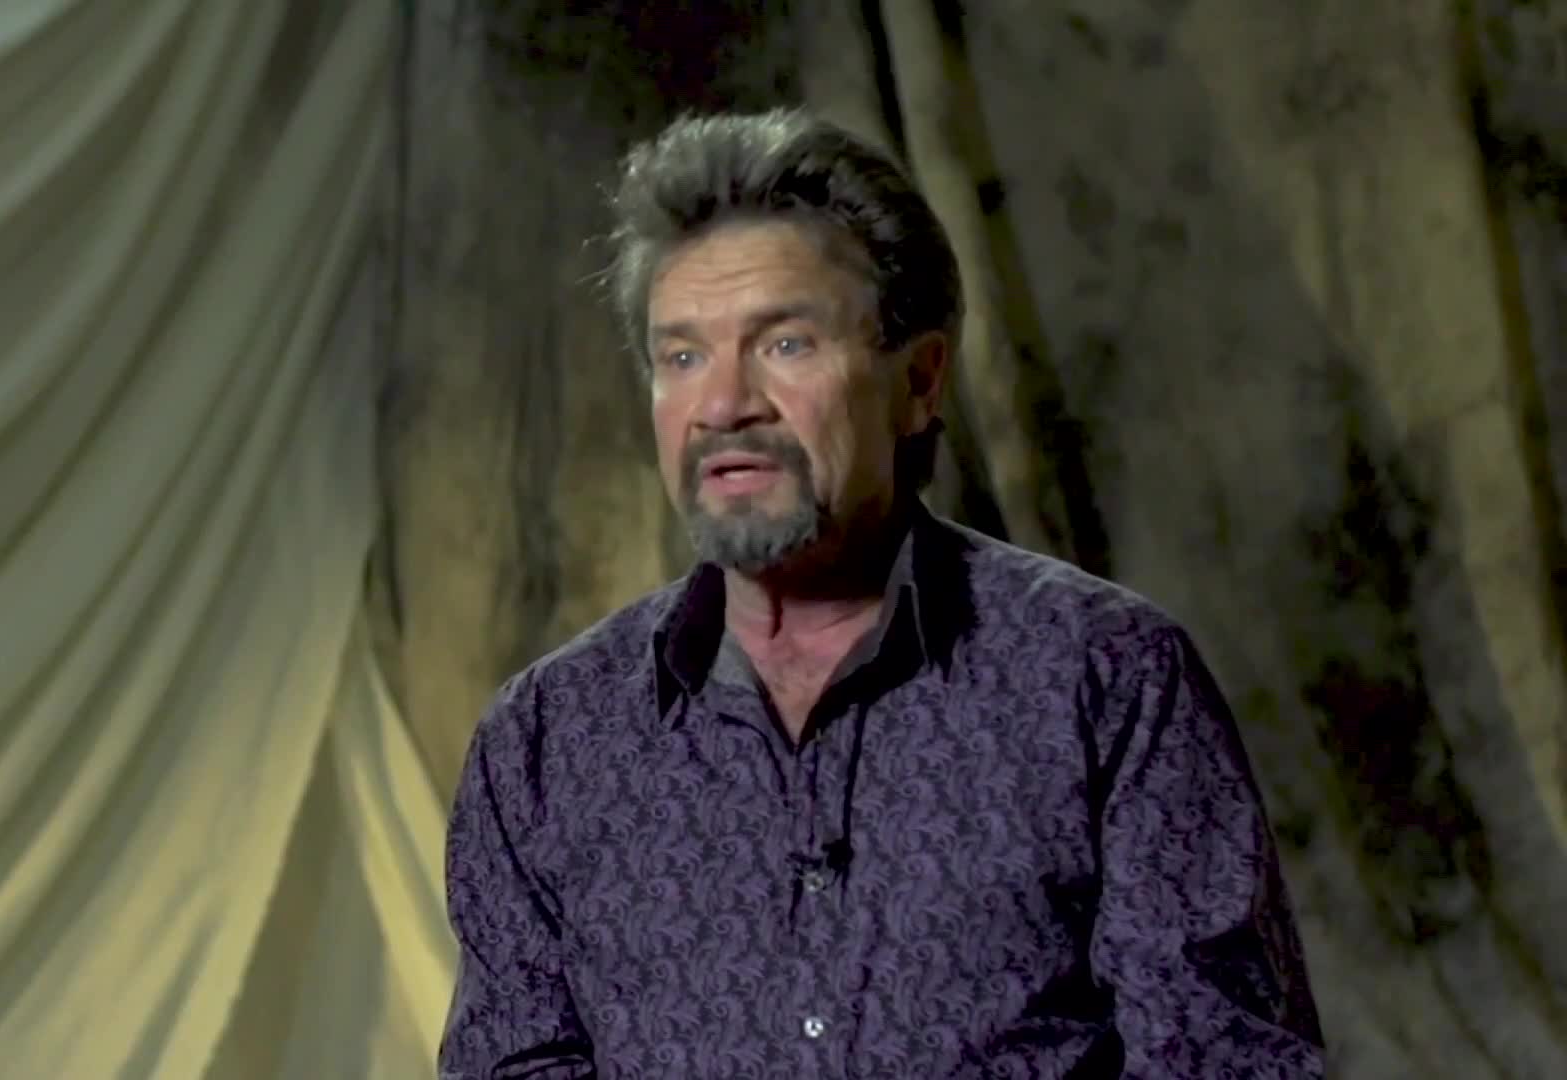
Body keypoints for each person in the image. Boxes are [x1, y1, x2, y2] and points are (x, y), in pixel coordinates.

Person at [438, 108, 1325, 1079]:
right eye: (681, 357)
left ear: (920, 382)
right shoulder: (545, 742)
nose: (723, 403)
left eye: (785, 344)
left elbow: (1220, 1064)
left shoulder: (1108, 679)